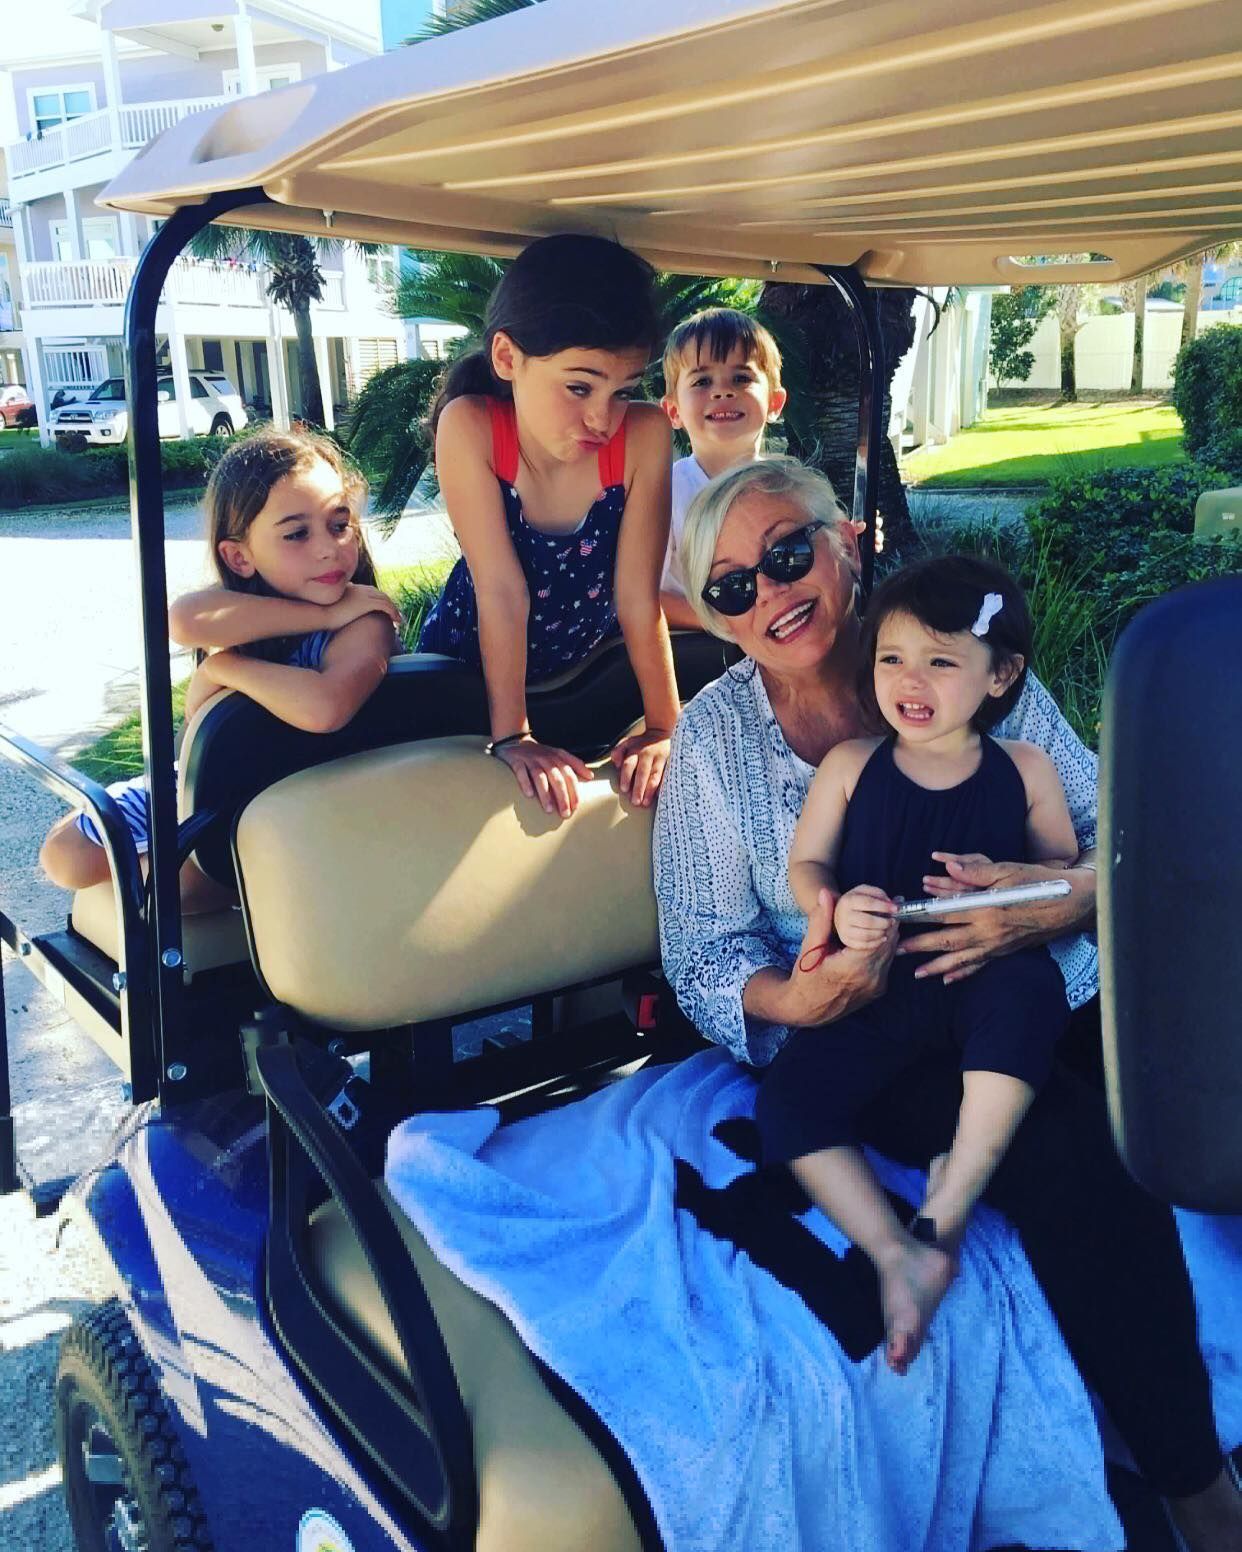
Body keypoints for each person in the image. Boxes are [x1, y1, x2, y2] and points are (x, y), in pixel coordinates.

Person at [653, 457, 1242, 1551]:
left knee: (1210, 1066)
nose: (771, 591)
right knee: (1075, 1153)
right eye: (732, 585)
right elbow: (701, 953)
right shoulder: (719, 740)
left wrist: (1050, 903)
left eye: (789, 552)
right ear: (711, 616)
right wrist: (812, 993)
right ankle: (1196, 1487)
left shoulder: (959, 653)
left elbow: (1118, 827)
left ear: (847, 543)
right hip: (882, 1028)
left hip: (1050, 977)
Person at [777, 554, 1078, 1375]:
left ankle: (945, 1208)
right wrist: (831, 908)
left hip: (987, 978)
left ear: (1000, 674)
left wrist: (1021, 890)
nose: (912, 681)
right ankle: (893, 1250)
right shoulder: (851, 766)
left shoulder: (1024, 769)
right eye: (892, 659)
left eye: (942, 661)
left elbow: (1061, 874)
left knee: (1030, 998)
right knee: (790, 1102)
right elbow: (808, 867)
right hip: (879, 985)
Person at [40, 427, 400, 910]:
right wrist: (320, 614)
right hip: (211, 783)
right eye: (297, 534)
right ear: (240, 556)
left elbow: (324, 706)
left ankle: (186, 885)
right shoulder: (240, 613)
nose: (327, 549)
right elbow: (187, 645)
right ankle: (166, 881)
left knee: (187, 878)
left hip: (290, 793)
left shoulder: (364, 621)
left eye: (339, 525)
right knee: (65, 854)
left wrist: (226, 666)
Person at [418, 234, 680, 819]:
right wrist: (512, 736)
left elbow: (638, 599)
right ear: (508, 359)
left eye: (624, 392)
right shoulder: (471, 427)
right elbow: (502, 591)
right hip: (466, 671)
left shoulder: (643, 437)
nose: (602, 418)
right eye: (580, 386)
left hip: (582, 672)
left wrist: (665, 725)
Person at [658, 308, 786, 631]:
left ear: (774, 403)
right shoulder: (663, 493)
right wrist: (732, 626)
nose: (722, 391)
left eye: (741, 378)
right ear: (673, 411)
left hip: (779, 638)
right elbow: (646, 597)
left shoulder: (788, 491)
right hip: (691, 651)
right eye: (702, 381)